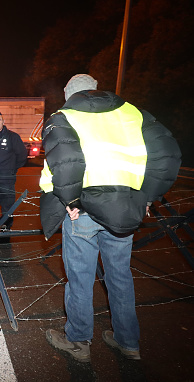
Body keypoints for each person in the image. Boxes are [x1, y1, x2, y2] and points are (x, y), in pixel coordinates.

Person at [40, 74, 181, 363]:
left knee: (80, 278)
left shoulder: (65, 115)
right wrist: (147, 197)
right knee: (120, 276)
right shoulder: (132, 112)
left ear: (69, 94)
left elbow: (63, 159)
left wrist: (70, 199)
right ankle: (127, 341)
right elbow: (167, 154)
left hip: (84, 209)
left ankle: (78, 341)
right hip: (125, 208)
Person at [0, 108, 26, 229]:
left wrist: (11, 168)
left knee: (7, 207)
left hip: (6, 179)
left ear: (3, 121)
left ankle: (6, 231)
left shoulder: (13, 137)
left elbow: (22, 156)